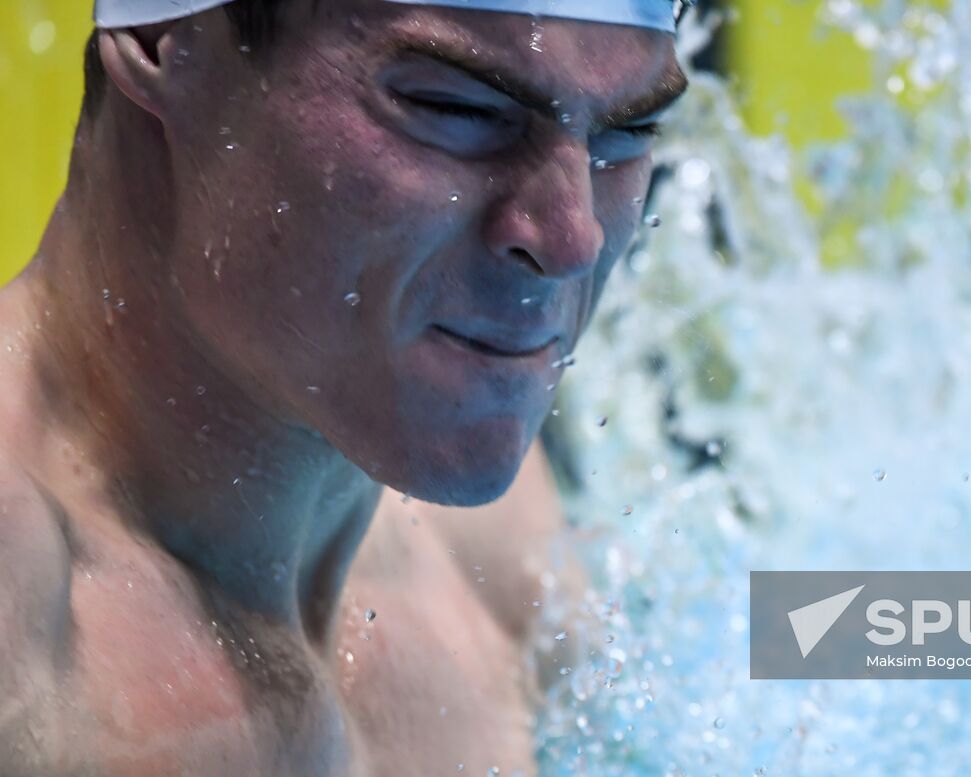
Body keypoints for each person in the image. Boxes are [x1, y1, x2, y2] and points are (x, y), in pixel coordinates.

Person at [0, 0, 687, 773]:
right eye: (453, 108)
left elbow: (723, 659)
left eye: (626, 135)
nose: (572, 237)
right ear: (165, 43)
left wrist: (849, 622)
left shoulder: (475, 528)